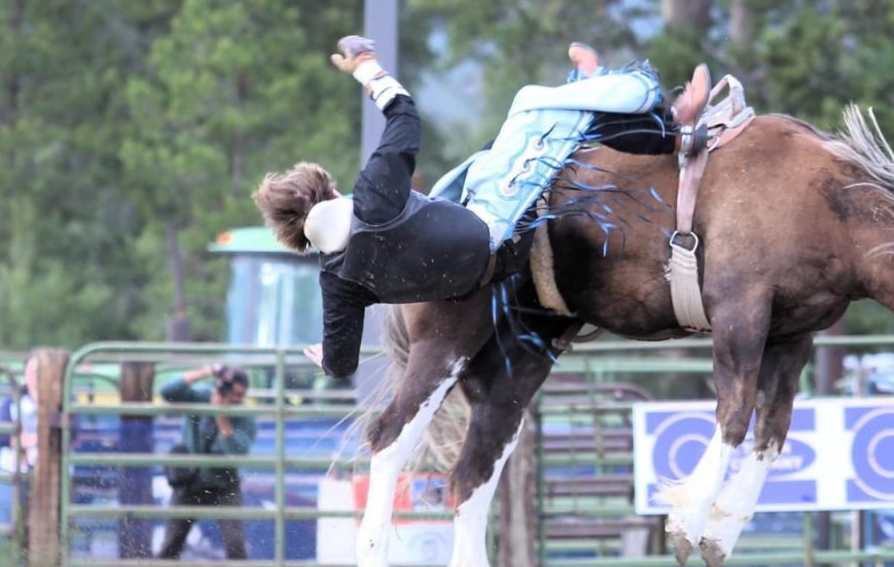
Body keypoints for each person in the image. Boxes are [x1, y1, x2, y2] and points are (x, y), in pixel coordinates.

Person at [252, 37, 710, 380]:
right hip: (493, 228)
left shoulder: (336, 280)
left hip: (471, 268)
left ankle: (595, 90)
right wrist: (367, 69)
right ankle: (664, 115)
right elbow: (405, 116)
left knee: (496, 150)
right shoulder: (370, 196)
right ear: (329, 193)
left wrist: (324, 355)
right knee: (529, 104)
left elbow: (341, 365)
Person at [147, 363, 256, 567]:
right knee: (171, 543)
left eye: (240, 395)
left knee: (235, 543)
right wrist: (207, 371)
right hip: (191, 483)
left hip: (224, 485)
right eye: (232, 392)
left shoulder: (245, 416)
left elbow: (235, 451)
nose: (235, 399)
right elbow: (168, 391)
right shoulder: (201, 397)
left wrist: (220, 416)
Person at [0, 355, 40, 531]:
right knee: (9, 530)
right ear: (26, 373)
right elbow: (0, 435)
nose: (38, 376)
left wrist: (27, 440)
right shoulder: (12, 400)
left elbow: (72, 432)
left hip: (48, 477)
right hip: (12, 474)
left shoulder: (63, 402)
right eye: (34, 371)